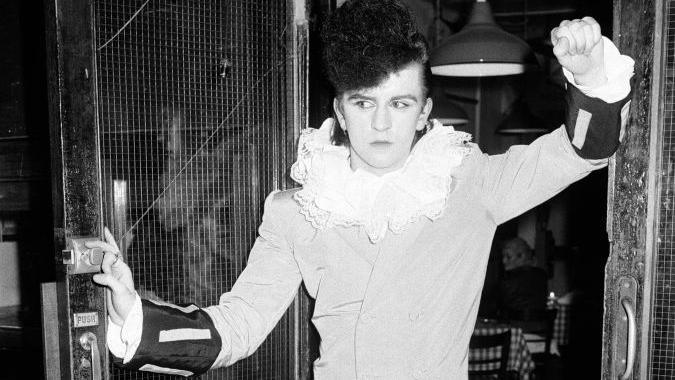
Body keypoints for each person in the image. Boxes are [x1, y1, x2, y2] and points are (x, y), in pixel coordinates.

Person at [87, 0, 634, 378]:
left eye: (398, 104)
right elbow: (238, 328)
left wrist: (591, 80)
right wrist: (136, 319)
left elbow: (584, 151)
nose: (379, 125)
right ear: (340, 114)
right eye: (363, 103)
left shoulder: (469, 184)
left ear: (423, 114)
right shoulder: (295, 211)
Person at [498, 237, 549, 321]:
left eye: (508, 257)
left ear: (521, 256)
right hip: (541, 327)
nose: (504, 261)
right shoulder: (542, 275)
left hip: (513, 328)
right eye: (503, 256)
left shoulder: (509, 278)